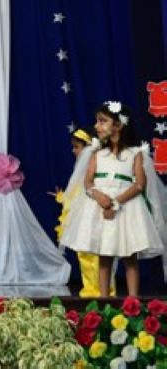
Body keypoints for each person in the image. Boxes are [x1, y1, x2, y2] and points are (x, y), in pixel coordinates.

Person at [61, 102, 166, 296]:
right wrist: (100, 197)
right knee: (104, 254)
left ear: (118, 125)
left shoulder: (135, 154)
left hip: (126, 208)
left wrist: (116, 203)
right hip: (100, 208)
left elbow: (139, 184)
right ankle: (104, 300)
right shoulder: (97, 154)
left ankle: (133, 300)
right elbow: (88, 182)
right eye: (97, 121)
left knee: (129, 256)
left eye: (102, 121)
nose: (97, 126)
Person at [52, 128, 114, 297]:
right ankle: (91, 289)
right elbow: (75, 194)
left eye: (77, 147)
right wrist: (62, 197)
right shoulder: (81, 169)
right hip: (84, 219)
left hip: (95, 216)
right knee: (85, 254)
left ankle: (102, 291)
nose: (74, 151)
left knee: (97, 255)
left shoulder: (97, 165)